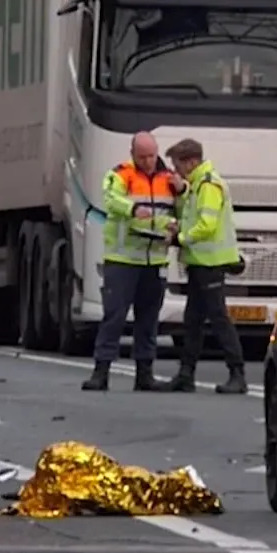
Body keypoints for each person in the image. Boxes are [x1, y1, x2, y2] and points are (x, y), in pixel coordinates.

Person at [84, 131, 180, 392]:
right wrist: (133, 209)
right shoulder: (121, 174)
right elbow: (111, 199)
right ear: (132, 154)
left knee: (148, 319)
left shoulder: (168, 178)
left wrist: (183, 192)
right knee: (114, 316)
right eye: (142, 157)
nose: (148, 161)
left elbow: (182, 206)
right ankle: (101, 371)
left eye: (151, 155)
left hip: (155, 260)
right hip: (123, 259)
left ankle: (144, 374)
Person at [162, 138, 247, 395]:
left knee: (218, 318)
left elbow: (207, 226)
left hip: (211, 263)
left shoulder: (209, 185)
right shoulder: (196, 185)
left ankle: (237, 374)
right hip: (199, 263)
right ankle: (186, 374)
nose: (175, 170)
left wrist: (180, 238)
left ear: (191, 162)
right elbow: (192, 217)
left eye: (177, 165)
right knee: (193, 320)